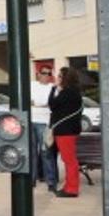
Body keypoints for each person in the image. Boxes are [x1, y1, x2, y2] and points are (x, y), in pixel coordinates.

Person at [49, 67, 84, 198]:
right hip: (68, 130)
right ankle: (69, 186)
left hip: (65, 131)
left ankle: (72, 189)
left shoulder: (67, 92)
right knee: (68, 159)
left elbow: (52, 104)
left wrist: (54, 88)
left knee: (69, 160)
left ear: (65, 78)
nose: (58, 78)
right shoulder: (74, 92)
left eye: (60, 76)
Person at [31, 66, 57, 192]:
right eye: (43, 73)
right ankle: (32, 179)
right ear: (38, 74)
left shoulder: (52, 88)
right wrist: (42, 104)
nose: (46, 75)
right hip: (31, 121)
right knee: (32, 152)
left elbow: (51, 103)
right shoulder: (32, 85)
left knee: (46, 152)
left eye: (48, 73)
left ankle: (51, 181)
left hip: (45, 123)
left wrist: (37, 103)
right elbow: (29, 101)